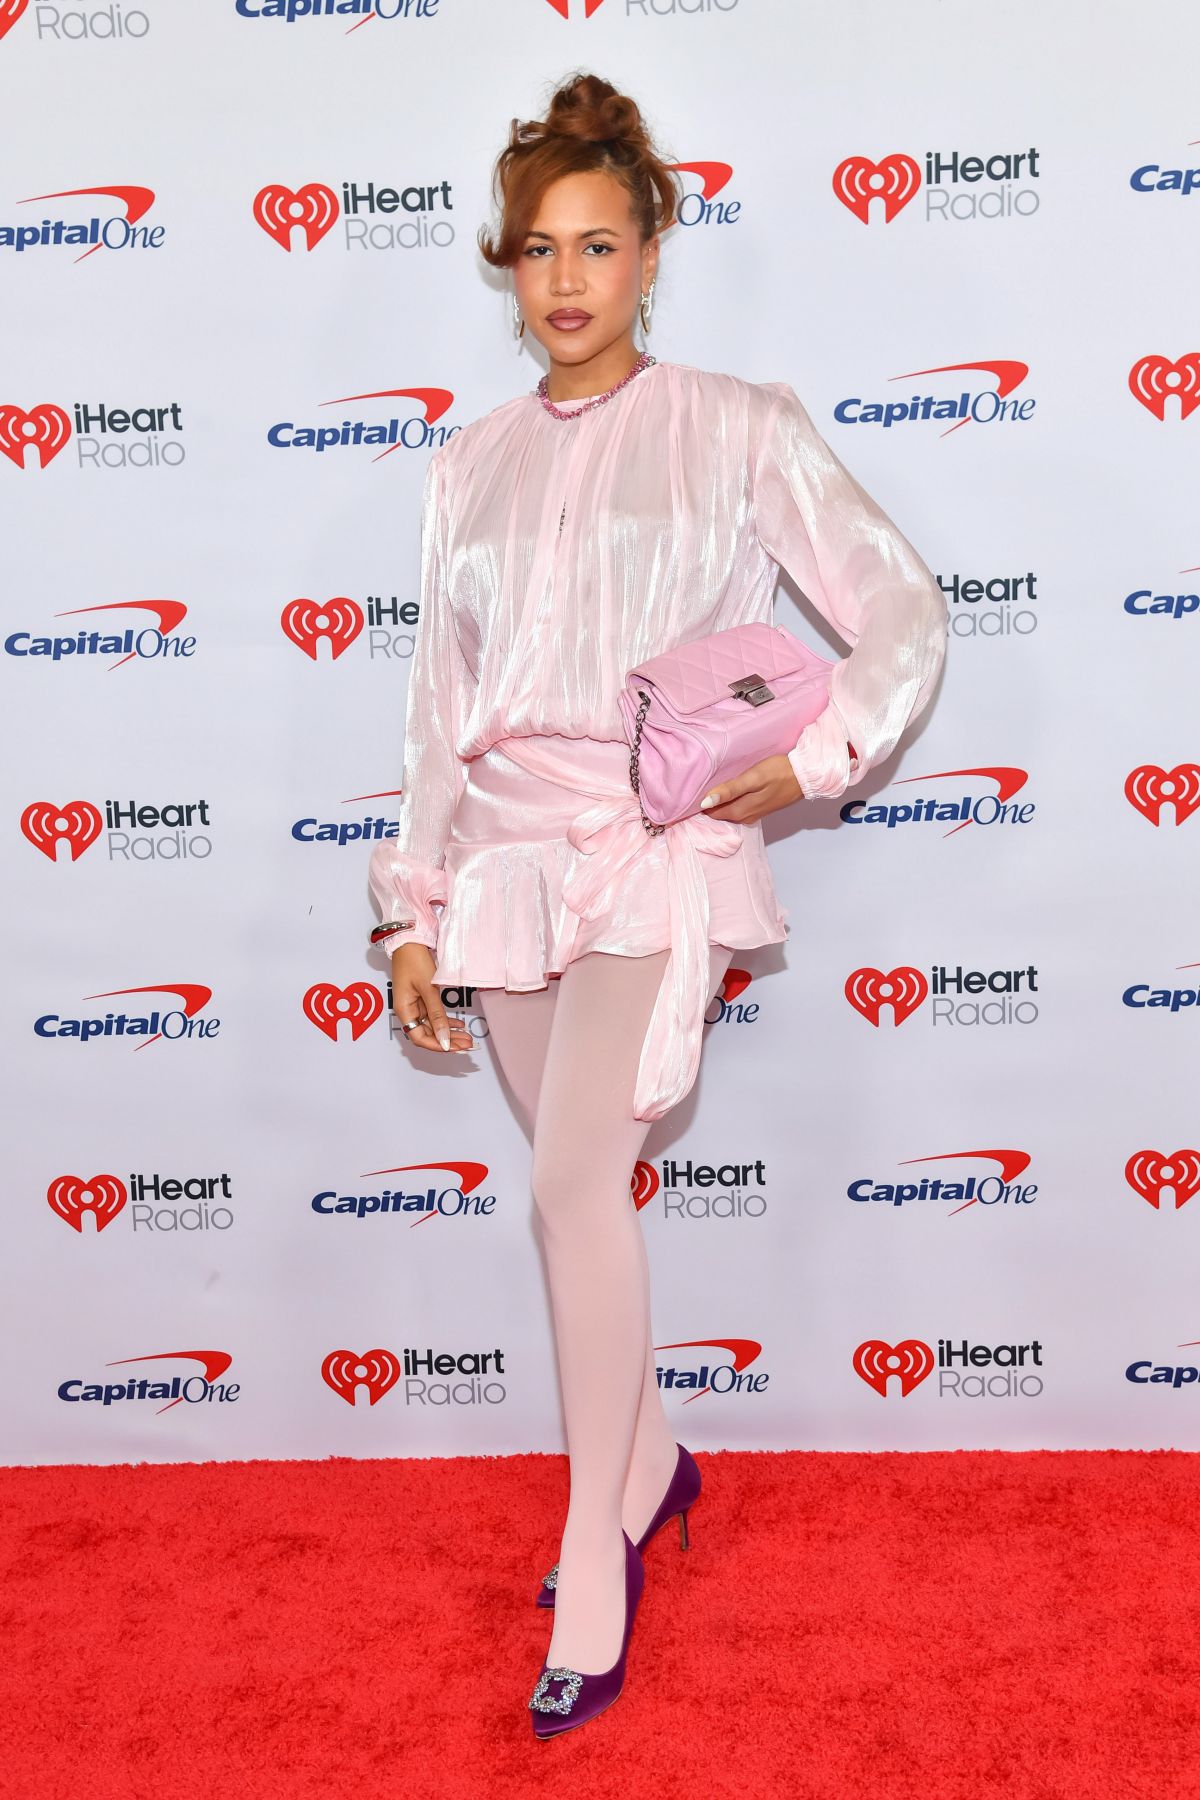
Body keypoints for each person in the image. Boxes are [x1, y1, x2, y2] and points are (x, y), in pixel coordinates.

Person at [367, 72, 948, 1737]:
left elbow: (902, 609)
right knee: (585, 1205)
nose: (568, 279)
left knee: (570, 1185)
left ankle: (592, 1554)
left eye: (599, 245)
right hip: (501, 870)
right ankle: (653, 1466)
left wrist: (817, 754)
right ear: (507, 264)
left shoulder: (738, 424)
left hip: (642, 853)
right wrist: (412, 908)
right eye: (540, 249)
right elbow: (437, 706)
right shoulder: (466, 464)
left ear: (651, 254)